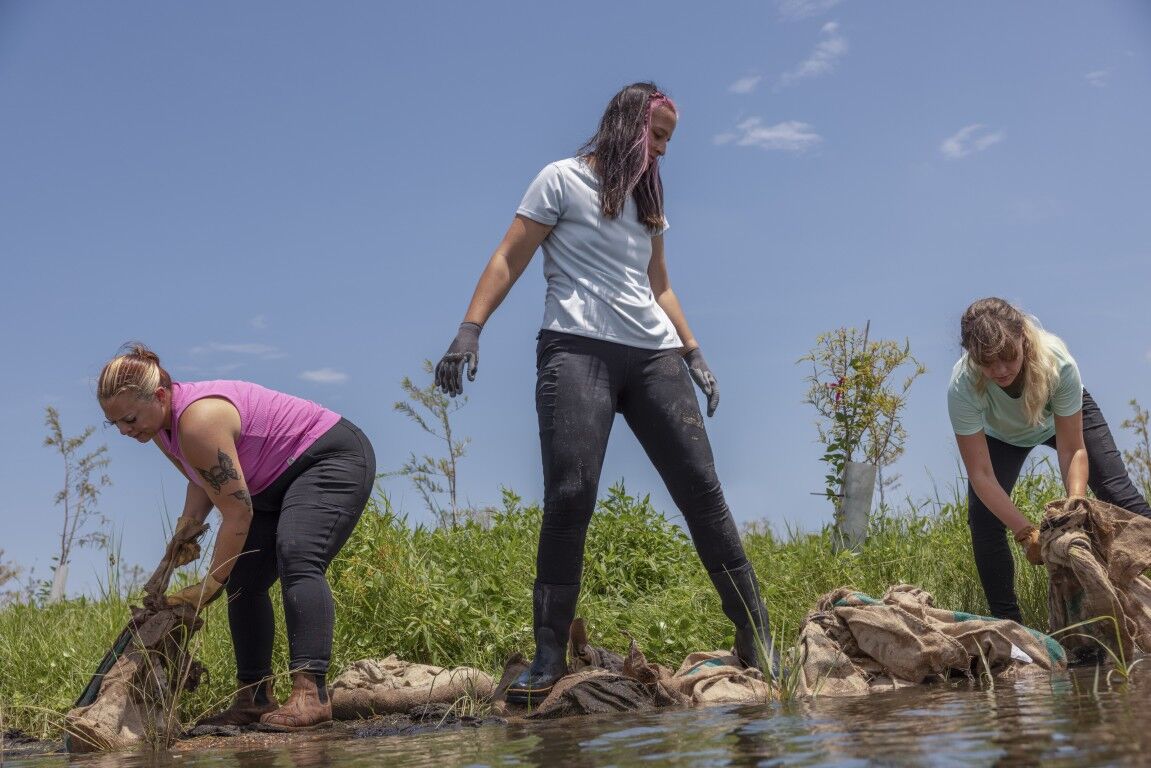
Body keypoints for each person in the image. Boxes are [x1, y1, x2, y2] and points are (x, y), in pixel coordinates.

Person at [434, 82, 779, 704]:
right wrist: (470, 329)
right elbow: (509, 257)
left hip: (653, 355)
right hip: (576, 349)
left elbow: (660, 285)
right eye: (658, 136)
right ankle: (548, 653)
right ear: (628, 125)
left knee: (702, 489)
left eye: (669, 139)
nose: (664, 150)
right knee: (570, 493)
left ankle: (756, 637)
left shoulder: (649, 201)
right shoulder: (560, 179)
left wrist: (694, 352)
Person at [96, 343, 376, 729]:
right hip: (271, 482)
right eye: (115, 424)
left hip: (326, 457)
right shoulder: (161, 429)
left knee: (297, 554)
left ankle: (312, 695)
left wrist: (207, 586)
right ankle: (254, 700)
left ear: (159, 396)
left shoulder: (198, 420)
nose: (125, 431)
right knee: (244, 581)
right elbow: (202, 481)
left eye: (129, 419)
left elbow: (237, 513)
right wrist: (181, 541)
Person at [949, 297, 1151, 622]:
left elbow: (1073, 449)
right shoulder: (962, 386)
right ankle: (1010, 628)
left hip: (1061, 421)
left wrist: (1074, 512)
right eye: (987, 362)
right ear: (972, 355)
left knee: (1118, 493)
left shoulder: (1057, 362)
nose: (1000, 370)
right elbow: (981, 475)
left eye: (1008, 357)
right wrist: (1026, 532)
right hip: (1002, 436)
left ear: (1022, 339)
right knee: (983, 519)